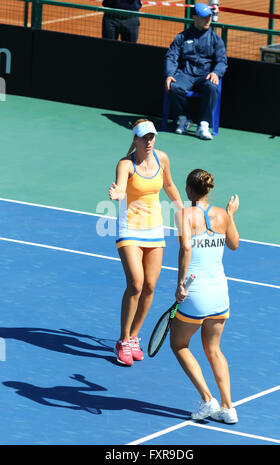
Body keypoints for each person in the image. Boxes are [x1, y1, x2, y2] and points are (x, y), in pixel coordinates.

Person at [109, 119, 183, 366]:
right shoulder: (126, 164)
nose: (149, 141)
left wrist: (183, 210)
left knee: (150, 286)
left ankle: (133, 337)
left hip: (154, 230)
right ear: (136, 140)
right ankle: (122, 340)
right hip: (129, 228)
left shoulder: (162, 158)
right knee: (136, 283)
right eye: (145, 137)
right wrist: (118, 194)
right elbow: (120, 187)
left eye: (152, 136)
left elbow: (170, 185)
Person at [170, 168, 239, 423]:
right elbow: (234, 244)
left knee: (178, 344)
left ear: (189, 190)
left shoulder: (184, 214)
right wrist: (230, 216)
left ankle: (207, 399)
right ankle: (228, 408)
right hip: (220, 293)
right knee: (214, 349)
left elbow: (186, 247)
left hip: (196, 293)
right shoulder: (223, 214)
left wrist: (180, 284)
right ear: (208, 190)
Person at [164, 2, 227, 140]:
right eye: (204, 17)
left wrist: (216, 72)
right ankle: (185, 118)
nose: (208, 20)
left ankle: (203, 125)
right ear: (194, 17)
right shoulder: (182, 37)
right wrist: (169, 74)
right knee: (173, 87)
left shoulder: (216, 39)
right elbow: (171, 56)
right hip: (185, 74)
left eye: (209, 16)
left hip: (204, 75)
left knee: (212, 87)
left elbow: (222, 61)